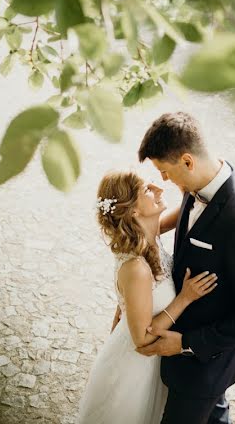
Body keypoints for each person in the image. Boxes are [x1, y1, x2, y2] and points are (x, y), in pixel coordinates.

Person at [135, 112, 235, 424]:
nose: (164, 181)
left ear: (187, 161)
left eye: (165, 171)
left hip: (205, 364)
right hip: (192, 358)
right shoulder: (199, 182)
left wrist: (185, 343)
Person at [76, 170, 217, 424]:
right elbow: (142, 339)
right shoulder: (137, 267)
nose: (156, 189)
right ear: (133, 212)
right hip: (134, 367)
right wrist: (184, 298)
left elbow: (188, 204)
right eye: (146, 190)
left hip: (151, 363)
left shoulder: (150, 236)